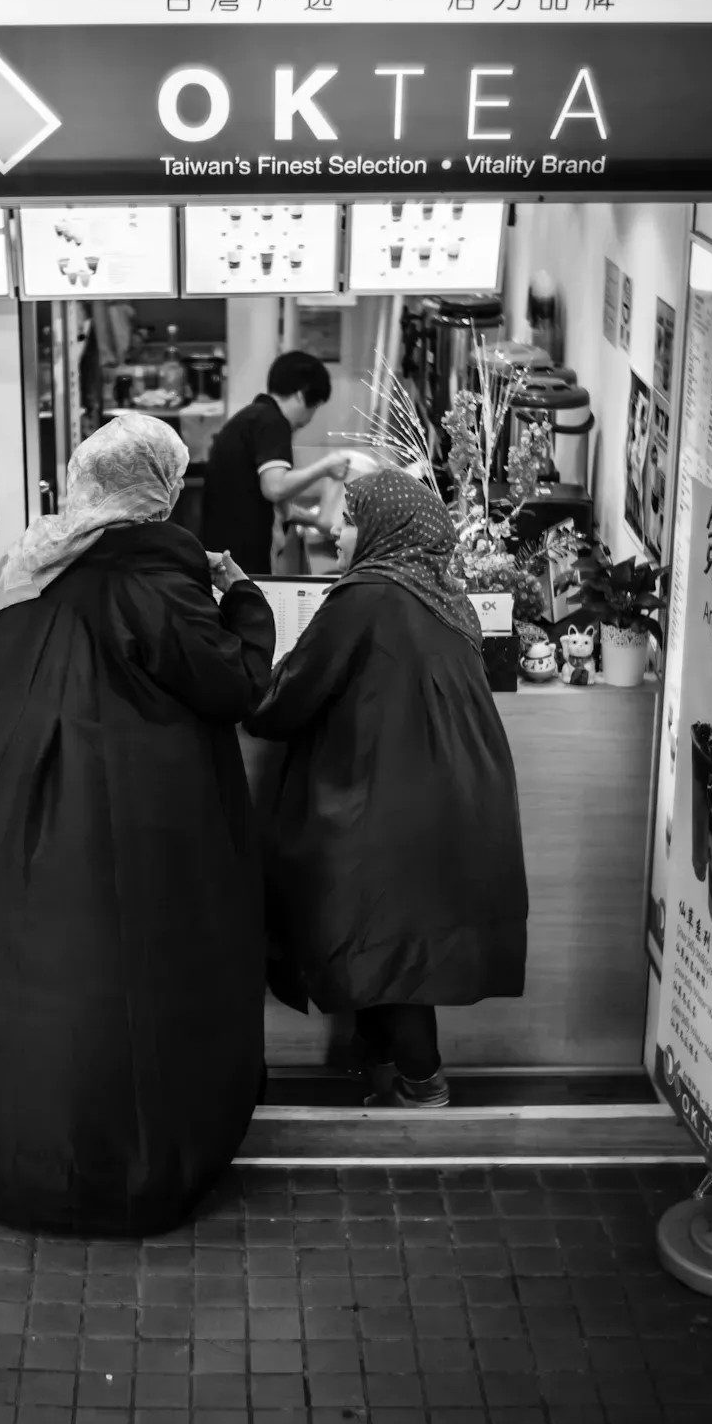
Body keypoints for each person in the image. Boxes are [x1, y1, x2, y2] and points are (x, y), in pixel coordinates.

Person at [0, 413, 275, 1237]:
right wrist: (244, 596)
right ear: (160, 492)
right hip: (142, 824)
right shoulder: (159, 582)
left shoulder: (23, 565)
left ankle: (3, 1152)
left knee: (8, 979)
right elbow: (235, 684)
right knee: (137, 991)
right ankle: (126, 1174)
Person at [245, 467, 528, 1108]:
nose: (336, 533)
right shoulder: (445, 596)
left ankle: (424, 1085)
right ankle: (376, 1061)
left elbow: (284, 701)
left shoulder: (367, 594)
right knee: (398, 936)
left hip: (390, 802)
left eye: (349, 521)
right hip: (457, 796)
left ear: (383, 529)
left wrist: (242, 637)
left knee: (384, 937)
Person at [200, 350, 352, 576]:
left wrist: (316, 521)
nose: (310, 419)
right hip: (243, 563)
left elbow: (269, 502)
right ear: (301, 395)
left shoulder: (253, 418)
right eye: (315, 407)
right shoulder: (273, 422)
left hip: (225, 557)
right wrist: (326, 467)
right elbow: (275, 488)